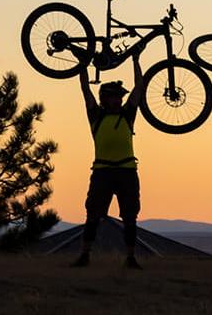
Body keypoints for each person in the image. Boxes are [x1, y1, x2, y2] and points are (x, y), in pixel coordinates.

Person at [71, 54, 144, 269]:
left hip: (127, 171)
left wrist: (135, 60)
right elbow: (85, 90)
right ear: (105, 99)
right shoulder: (96, 116)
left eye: (119, 98)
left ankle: (130, 258)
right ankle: (85, 256)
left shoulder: (128, 115)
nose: (118, 100)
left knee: (130, 216)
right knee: (93, 214)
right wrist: (82, 64)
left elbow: (139, 87)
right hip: (102, 172)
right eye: (114, 97)